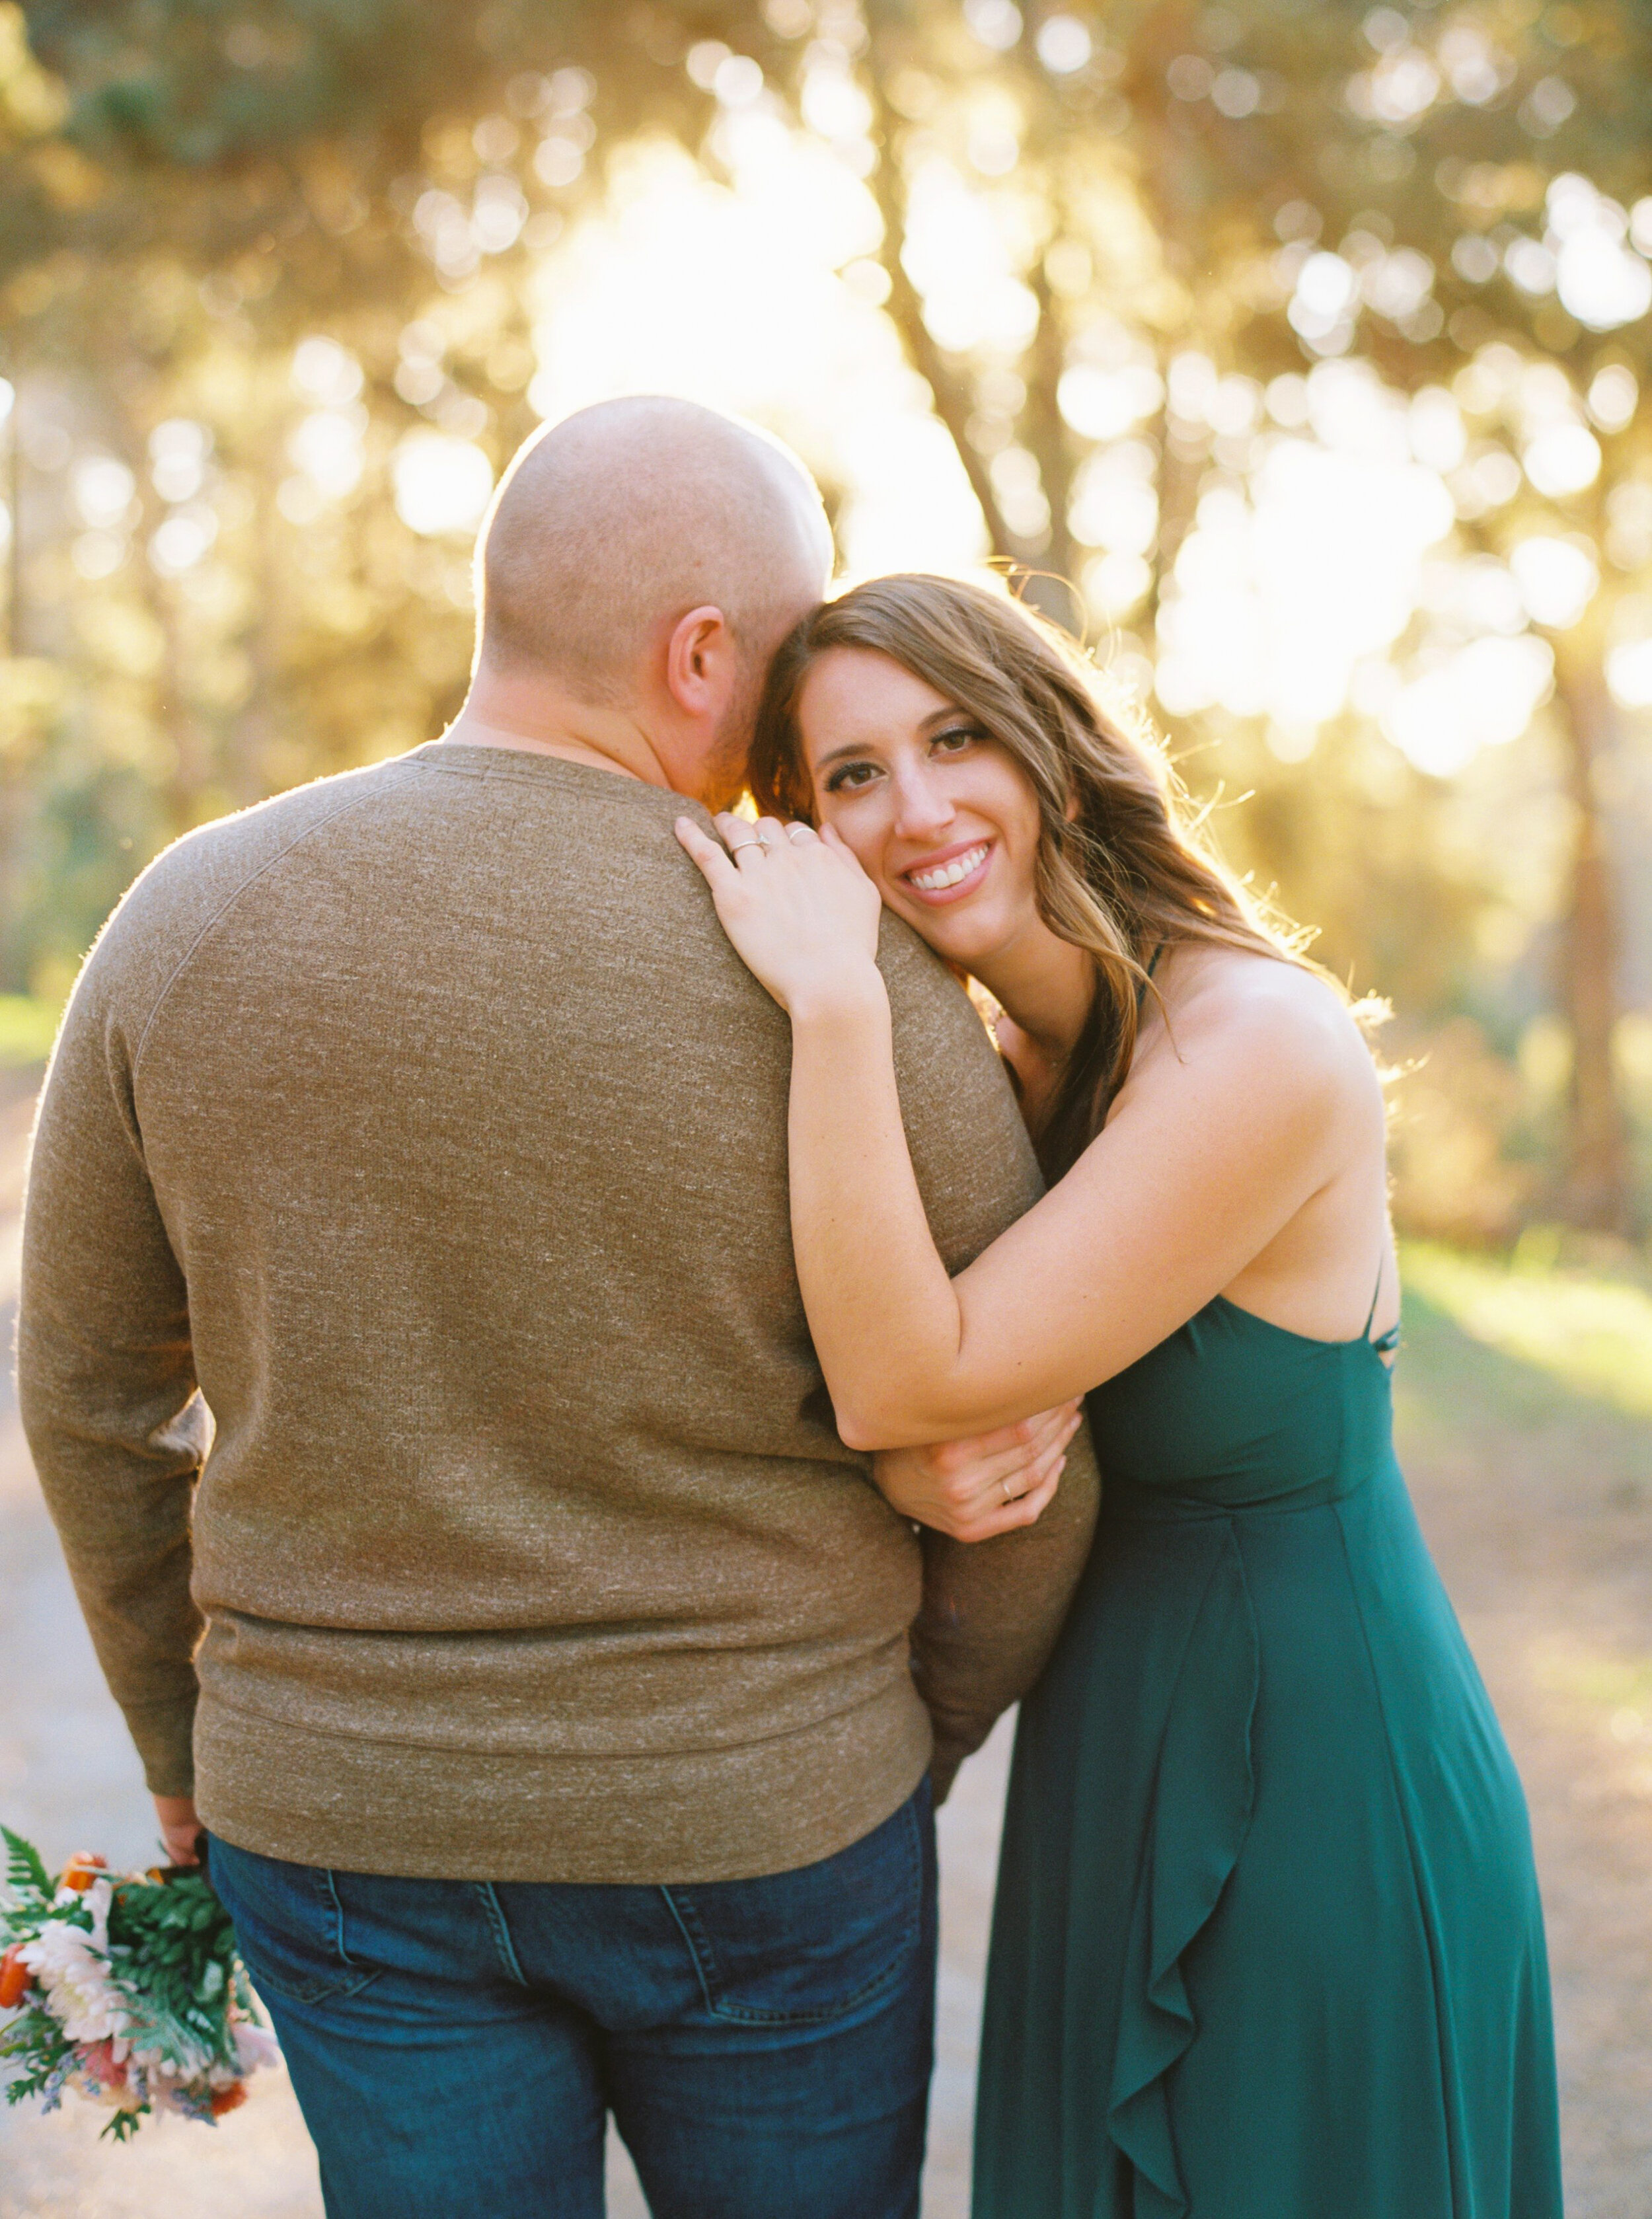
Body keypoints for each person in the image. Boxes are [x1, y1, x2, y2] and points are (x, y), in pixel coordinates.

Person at [17, 408, 1100, 2219]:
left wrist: (184, 1741)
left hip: (344, 1824)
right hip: (774, 1813)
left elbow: (88, 1400)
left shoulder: (182, 918)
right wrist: (909, 1726)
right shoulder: (842, 961)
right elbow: (1029, 1423)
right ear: (698, 654)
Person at [675, 572, 1565, 2219]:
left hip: (1313, 1781)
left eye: (954, 738)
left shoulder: (1255, 1047)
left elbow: (903, 1372)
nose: (916, 807)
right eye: (851, 774)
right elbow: (907, 1413)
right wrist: (898, 1476)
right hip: (1112, 1750)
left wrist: (834, 998)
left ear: (1053, 751)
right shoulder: (1016, 1072)